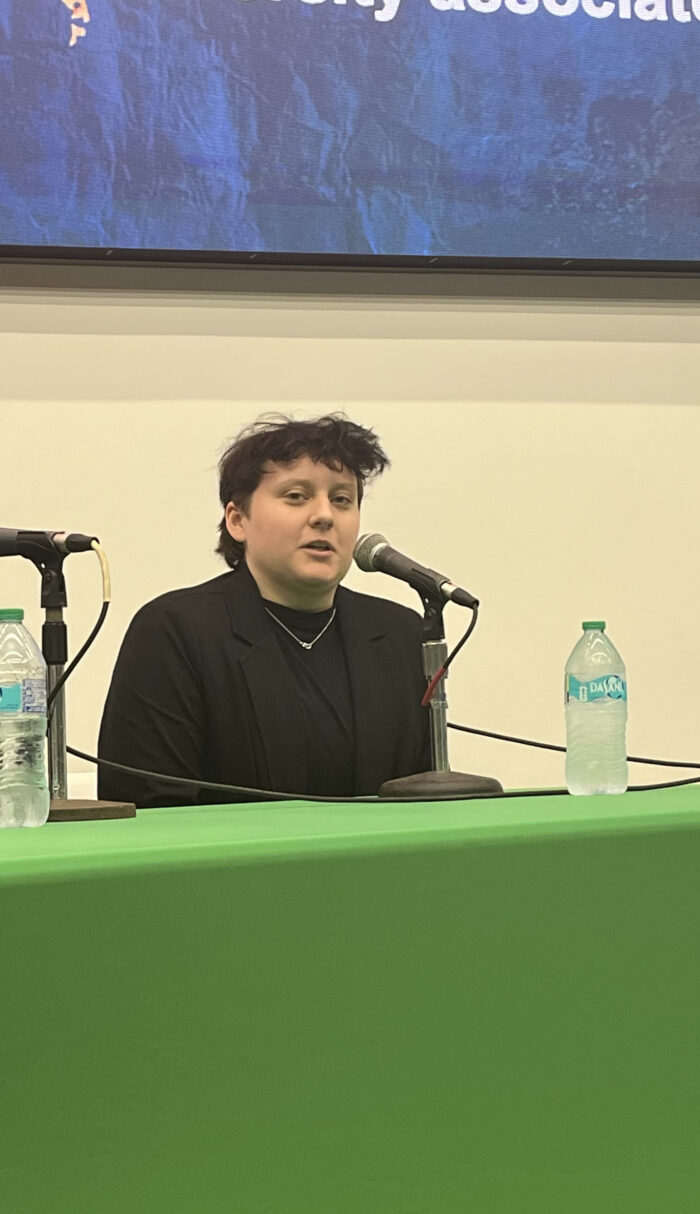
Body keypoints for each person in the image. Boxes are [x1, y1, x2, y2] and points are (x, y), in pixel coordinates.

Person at [97, 414, 430, 807]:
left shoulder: (400, 635)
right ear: (238, 520)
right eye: (296, 496)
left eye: (342, 499)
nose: (324, 515)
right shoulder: (176, 631)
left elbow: (418, 797)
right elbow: (150, 808)